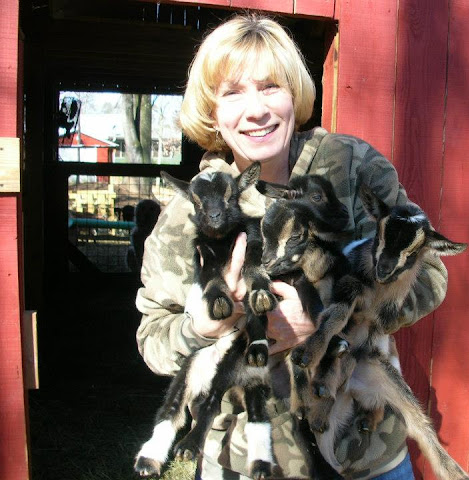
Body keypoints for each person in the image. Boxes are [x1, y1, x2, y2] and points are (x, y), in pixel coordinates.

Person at [136, 13, 449, 480]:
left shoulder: (351, 166)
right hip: (243, 462)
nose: (256, 110)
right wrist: (199, 329)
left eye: (270, 87)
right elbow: (153, 338)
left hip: (363, 455)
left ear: (294, 94)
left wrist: (328, 320)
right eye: (232, 92)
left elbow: (430, 277)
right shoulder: (189, 212)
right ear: (211, 110)